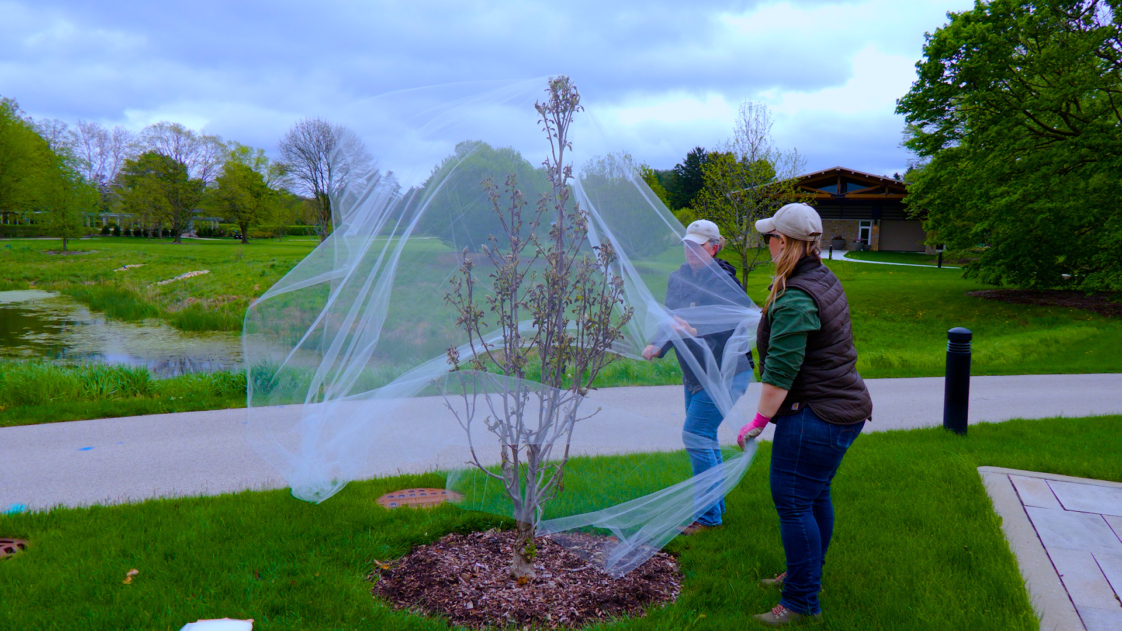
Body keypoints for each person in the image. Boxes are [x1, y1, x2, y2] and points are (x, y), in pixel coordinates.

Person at [735, 203, 873, 626]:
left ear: (784, 242)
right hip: (841, 407)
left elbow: (780, 372)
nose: (767, 244)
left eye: (769, 237)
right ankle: (805, 576)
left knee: (794, 503)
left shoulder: (797, 296)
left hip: (818, 414)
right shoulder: (819, 277)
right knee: (814, 497)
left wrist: (757, 423)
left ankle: (799, 603)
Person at [642, 219, 754, 535]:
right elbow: (670, 319)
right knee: (702, 439)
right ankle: (714, 511)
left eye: (698, 245)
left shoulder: (726, 283)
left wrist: (697, 332)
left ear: (714, 247)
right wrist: (657, 344)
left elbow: (731, 327)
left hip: (726, 373)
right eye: (687, 244)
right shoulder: (678, 278)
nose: (691, 250)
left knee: (695, 434)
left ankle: (706, 519)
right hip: (693, 372)